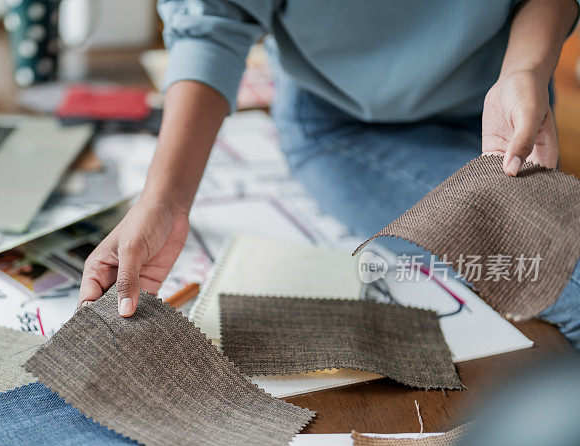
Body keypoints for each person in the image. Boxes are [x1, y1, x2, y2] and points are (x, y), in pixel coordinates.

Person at [79, 0, 580, 348]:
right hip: (347, 126)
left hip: (511, 106)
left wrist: (526, 70)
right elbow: (212, 20)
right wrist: (164, 199)